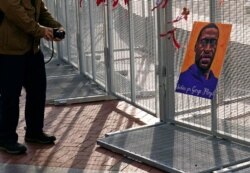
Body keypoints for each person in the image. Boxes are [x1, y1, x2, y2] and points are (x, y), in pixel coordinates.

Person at [0, 0, 65, 154]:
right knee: (10, 96)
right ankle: (5, 138)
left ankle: (34, 132)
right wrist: (41, 31)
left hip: (32, 49)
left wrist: (56, 27)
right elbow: (17, 14)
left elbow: (41, 11)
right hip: (9, 51)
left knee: (38, 90)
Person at [176, 23, 219, 99]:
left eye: (213, 43)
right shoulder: (184, 79)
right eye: (203, 42)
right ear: (195, 47)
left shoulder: (215, 80)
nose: (207, 49)